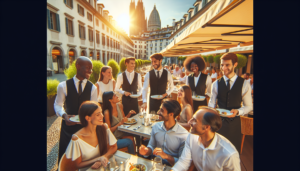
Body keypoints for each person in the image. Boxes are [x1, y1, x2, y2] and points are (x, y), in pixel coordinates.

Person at [54, 56, 98, 163]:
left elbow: (94, 109)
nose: (90, 71)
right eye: (87, 68)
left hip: (85, 128)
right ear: (78, 66)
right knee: (66, 157)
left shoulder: (93, 88)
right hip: (67, 128)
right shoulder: (63, 86)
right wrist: (64, 115)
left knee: (84, 158)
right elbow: (57, 105)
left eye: (91, 69)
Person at [208, 53, 253, 153]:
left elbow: (249, 106)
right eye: (222, 65)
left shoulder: (245, 84)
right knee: (217, 152)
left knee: (232, 153)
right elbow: (211, 104)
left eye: (227, 65)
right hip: (218, 123)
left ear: (235, 64)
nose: (223, 68)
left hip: (234, 125)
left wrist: (238, 111)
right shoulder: (215, 84)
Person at [171, 107, 241, 171]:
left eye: (194, 120)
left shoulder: (229, 154)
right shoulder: (192, 136)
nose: (189, 122)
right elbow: (183, 162)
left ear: (206, 127)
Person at [65, 101, 118, 171]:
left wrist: (103, 158)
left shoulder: (104, 128)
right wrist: (98, 159)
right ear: (88, 118)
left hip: (102, 167)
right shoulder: (77, 138)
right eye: (98, 114)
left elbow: (114, 147)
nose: (102, 116)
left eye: (101, 112)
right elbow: (78, 165)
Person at [139, 99, 189, 166]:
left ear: (171, 114)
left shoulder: (184, 135)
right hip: (156, 165)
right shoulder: (156, 127)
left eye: (162, 110)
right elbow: (151, 146)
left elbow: (182, 163)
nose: (158, 112)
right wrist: (146, 151)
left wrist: (166, 156)